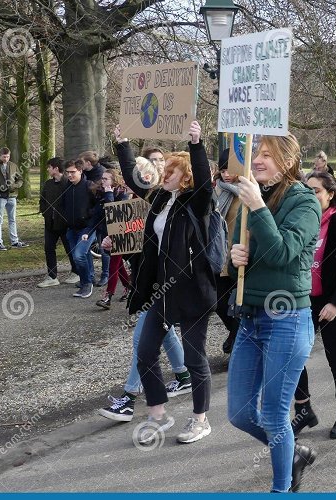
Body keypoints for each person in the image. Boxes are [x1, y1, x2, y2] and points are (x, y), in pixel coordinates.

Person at [227, 134, 321, 493]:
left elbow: (284, 253)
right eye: (256, 153)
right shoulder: (252, 198)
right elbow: (247, 252)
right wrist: (236, 256)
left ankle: (281, 488)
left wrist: (259, 208)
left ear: (288, 160)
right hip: (251, 318)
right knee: (238, 413)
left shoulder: (305, 201)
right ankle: (292, 452)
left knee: (274, 414)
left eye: (267, 154)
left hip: (287, 319)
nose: (258, 160)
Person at [115, 120, 216, 445]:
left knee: (193, 358)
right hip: (161, 292)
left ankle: (200, 420)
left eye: (170, 170)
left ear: (183, 176)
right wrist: (123, 144)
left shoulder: (195, 202)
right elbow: (135, 179)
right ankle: (158, 414)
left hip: (193, 293)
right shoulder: (159, 199)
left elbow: (204, 184)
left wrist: (196, 145)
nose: (164, 174)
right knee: (145, 352)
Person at [293, 171, 336, 439]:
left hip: (334, 304)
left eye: (316, 191)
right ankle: (303, 410)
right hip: (303, 302)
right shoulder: (301, 221)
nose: (311, 196)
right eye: (306, 190)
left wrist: (335, 303)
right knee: (294, 358)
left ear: (330, 194)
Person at [214, 148, 242, 356]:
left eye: (229, 169)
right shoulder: (217, 191)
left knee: (240, 303)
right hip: (219, 257)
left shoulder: (247, 192)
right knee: (219, 303)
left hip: (240, 257)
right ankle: (235, 332)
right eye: (222, 170)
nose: (226, 174)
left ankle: (239, 338)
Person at [91, 169, 129, 308]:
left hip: (119, 234)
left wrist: (108, 194)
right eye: (102, 178)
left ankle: (108, 296)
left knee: (113, 264)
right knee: (118, 265)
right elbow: (98, 215)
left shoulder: (122, 195)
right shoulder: (101, 194)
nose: (103, 181)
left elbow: (113, 212)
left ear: (114, 180)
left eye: (106, 179)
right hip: (105, 234)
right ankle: (129, 286)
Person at [37, 158, 77, 287]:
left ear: (55, 168)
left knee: (69, 248)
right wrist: (45, 212)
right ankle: (52, 276)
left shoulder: (68, 183)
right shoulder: (48, 184)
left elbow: (72, 203)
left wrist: (67, 218)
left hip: (65, 224)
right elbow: (42, 201)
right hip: (50, 223)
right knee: (48, 248)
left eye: (49, 167)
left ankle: (76, 272)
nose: (48, 169)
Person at [61, 159, 97, 298]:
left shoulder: (89, 186)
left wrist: (90, 224)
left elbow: (98, 207)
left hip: (87, 228)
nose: (69, 175)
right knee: (84, 254)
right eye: (67, 172)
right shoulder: (67, 187)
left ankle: (86, 283)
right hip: (71, 228)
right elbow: (63, 205)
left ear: (80, 171)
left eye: (72, 172)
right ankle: (89, 278)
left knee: (79, 255)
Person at [0, 147, 28, 250]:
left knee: (12, 219)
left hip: (12, 196)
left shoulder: (13, 165)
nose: (6, 158)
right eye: (4, 156)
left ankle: (14, 241)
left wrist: (15, 186)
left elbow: (20, 179)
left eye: (8, 156)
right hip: (0, 196)